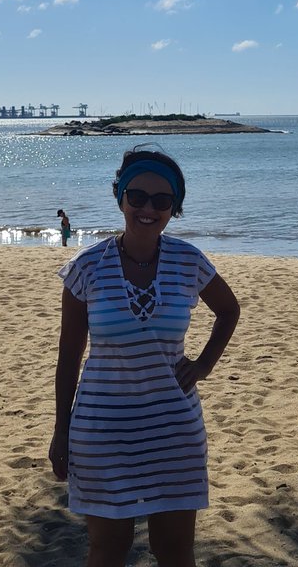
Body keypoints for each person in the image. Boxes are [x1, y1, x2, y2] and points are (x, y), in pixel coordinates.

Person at [49, 146, 240, 567]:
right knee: (107, 550)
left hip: (174, 430)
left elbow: (229, 311)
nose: (148, 209)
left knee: (175, 551)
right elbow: (68, 358)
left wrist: (204, 365)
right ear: (120, 198)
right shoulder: (86, 268)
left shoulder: (188, 261)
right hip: (102, 431)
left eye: (161, 200)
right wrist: (61, 430)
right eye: (137, 196)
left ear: (175, 207)